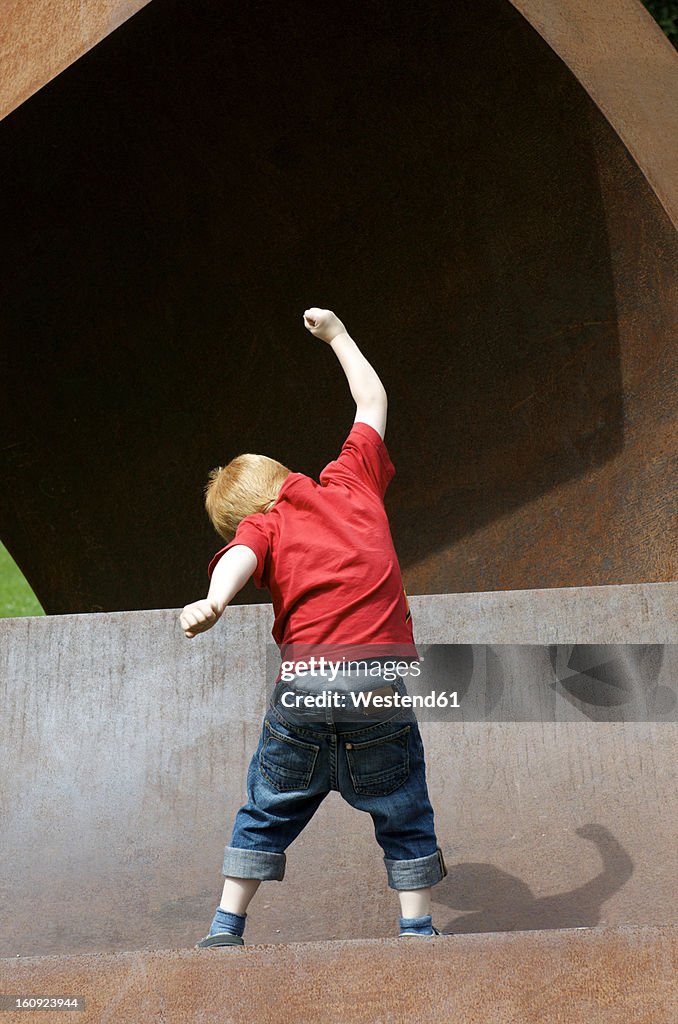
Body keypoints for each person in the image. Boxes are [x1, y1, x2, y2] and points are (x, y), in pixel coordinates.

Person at [179, 308, 446, 947]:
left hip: (307, 689)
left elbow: (241, 558)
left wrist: (213, 601)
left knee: (267, 806)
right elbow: (372, 398)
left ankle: (225, 926)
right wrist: (338, 336)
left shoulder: (263, 527)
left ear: (247, 514)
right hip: (377, 686)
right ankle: (417, 927)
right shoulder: (353, 481)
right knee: (404, 807)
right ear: (282, 475)